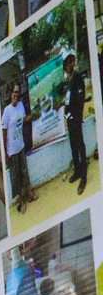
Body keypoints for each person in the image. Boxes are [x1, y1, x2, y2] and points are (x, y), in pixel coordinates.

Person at [5, 79, 34, 209]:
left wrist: (34, 114)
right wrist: (6, 152)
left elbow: (24, 119)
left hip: (21, 145)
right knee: (15, 176)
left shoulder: (21, 105)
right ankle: (20, 200)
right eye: (14, 92)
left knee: (24, 172)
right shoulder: (7, 111)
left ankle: (29, 193)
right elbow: (4, 131)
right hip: (12, 150)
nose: (16, 94)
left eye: (18, 92)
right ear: (11, 94)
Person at [64, 51, 90, 195]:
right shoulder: (68, 80)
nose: (69, 66)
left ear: (72, 64)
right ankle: (78, 171)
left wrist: (75, 116)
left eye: (70, 62)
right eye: (67, 64)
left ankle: (84, 177)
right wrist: (67, 114)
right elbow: (68, 100)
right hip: (70, 119)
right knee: (73, 146)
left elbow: (80, 99)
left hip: (76, 119)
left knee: (80, 146)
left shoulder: (78, 78)